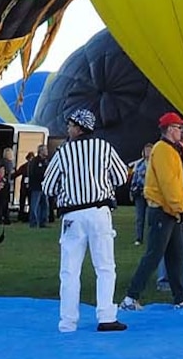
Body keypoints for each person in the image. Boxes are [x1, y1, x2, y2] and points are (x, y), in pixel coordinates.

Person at [41, 108, 131, 334]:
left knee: (70, 271)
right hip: (100, 212)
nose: (68, 128)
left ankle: (68, 322)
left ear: (79, 127)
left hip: (72, 215)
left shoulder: (63, 152)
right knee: (105, 266)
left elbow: (48, 187)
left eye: (71, 125)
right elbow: (121, 177)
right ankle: (107, 316)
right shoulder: (104, 147)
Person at [123, 114, 183, 311]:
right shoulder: (163, 150)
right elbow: (168, 183)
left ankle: (180, 298)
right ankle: (130, 297)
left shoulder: (170, 150)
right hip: (164, 211)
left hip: (170, 212)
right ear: (170, 129)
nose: (182, 131)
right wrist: (178, 207)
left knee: (177, 256)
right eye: (179, 128)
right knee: (154, 256)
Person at [20, 147, 47, 229]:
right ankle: (33, 222)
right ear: (40, 151)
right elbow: (35, 173)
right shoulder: (35, 162)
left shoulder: (45, 161)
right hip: (36, 187)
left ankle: (42, 222)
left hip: (43, 187)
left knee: (44, 205)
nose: (47, 151)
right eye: (45, 150)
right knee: (34, 205)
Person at [129, 144, 150, 249]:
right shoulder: (139, 164)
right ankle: (139, 238)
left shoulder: (155, 163)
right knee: (139, 217)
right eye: (146, 150)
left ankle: (151, 238)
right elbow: (134, 177)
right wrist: (132, 190)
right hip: (140, 193)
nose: (148, 153)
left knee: (151, 217)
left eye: (149, 150)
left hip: (151, 194)